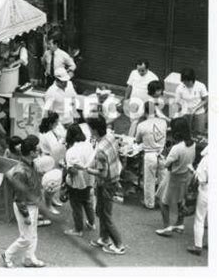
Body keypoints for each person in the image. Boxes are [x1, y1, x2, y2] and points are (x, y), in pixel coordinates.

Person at [74, 116, 125, 255]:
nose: (89, 130)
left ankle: (119, 244)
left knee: (105, 215)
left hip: (106, 183)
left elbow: (102, 174)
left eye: (90, 128)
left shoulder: (101, 149)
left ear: (95, 130)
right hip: (113, 178)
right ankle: (104, 238)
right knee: (100, 211)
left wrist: (86, 169)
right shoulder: (110, 135)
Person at [2, 135, 45, 268]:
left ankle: (29, 258)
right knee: (26, 237)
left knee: (33, 235)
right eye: (37, 149)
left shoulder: (33, 164)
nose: (39, 151)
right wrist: (25, 215)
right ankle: (7, 255)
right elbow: (19, 198)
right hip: (25, 207)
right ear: (31, 152)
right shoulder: (20, 172)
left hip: (33, 204)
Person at [155, 117, 196, 237]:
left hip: (173, 176)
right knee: (179, 200)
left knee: (163, 200)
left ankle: (166, 226)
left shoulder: (176, 148)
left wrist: (161, 158)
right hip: (185, 175)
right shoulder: (192, 144)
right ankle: (179, 223)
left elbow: (166, 164)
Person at [64, 124, 96, 237]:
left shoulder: (71, 151)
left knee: (76, 204)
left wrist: (65, 169)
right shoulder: (88, 145)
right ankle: (92, 222)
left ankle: (78, 229)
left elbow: (72, 170)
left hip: (78, 180)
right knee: (87, 201)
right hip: (90, 176)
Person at [135, 102, 168, 210]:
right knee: (163, 179)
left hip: (150, 154)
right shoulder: (163, 122)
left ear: (144, 111)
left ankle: (150, 203)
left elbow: (137, 140)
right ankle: (163, 201)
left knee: (149, 180)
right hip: (162, 153)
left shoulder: (141, 125)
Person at [123, 59, 159, 137]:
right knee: (134, 122)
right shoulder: (133, 73)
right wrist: (126, 99)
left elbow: (156, 92)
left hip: (148, 104)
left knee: (149, 122)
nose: (140, 72)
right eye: (138, 70)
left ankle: (148, 139)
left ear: (147, 69)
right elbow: (129, 86)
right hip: (135, 102)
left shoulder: (153, 77)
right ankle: (130, 139)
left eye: (142, 70)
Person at [187, 147, 208, 256]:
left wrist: (193, 171)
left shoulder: (206, 159)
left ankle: (197, 245)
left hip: (206, 191)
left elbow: (201, 179)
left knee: (200, 218)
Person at [174, 68, 208, 135]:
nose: (186, 83)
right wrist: (178, 112)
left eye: (188, 81)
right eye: (184, 81)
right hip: (185, 112)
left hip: (199, 111)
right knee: (186, 131)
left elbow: (206, 99)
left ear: (192, 80)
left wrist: (195, 108)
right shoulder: (179, 88)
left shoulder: (201, 86)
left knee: (199, 132)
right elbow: (177, 102)